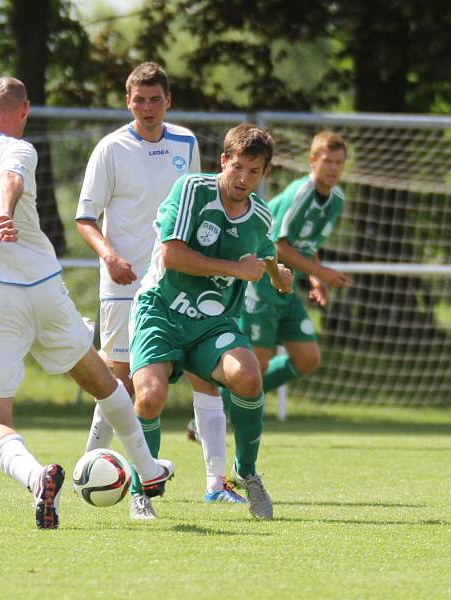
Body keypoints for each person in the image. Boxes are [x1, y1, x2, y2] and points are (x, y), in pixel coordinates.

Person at [0, 77, 173, 530]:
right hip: (43, 289)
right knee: (102, 380)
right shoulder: (21, 148)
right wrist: (3, 212)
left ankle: (38, 478)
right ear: (25, 111)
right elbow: (10, 178)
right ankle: (148, 471)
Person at [128, 124, 293, 520]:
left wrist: (277, 275)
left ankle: (246, 473)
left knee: (249, 375)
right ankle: (141, 489)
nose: (243, 179)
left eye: (254, 172)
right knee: (149, 397)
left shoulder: (260, 216)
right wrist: (238, 270)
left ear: (265, 173)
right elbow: (173, 255)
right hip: (162, 311)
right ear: (223, 161)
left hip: (213, 324)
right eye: (237, 167)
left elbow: (266, 253)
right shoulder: (193, 191)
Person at [75, 62, 200, 455]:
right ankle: (92, 463)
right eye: (140, 100)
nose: (148, 108)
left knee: (198, 379)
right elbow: (85, 218)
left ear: (168, 101)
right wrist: (111, 257)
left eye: (155, 100)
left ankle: (217, 481)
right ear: (128, 102)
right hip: (123, 284)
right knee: (120, 383)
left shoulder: (187, 144)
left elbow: (192, 210)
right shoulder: (111, 148)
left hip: (171, 283)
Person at [240, 130, 352, 394]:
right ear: (313, 161)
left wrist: (314, 277)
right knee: (259, 361)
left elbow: (306, 243)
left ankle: (232, 404)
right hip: (262, 282)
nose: (333, 168)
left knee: (307, 358)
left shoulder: (336, 198)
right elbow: (279, 247)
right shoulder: (301, 193)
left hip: (286, 287)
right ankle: (213, 414)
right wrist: (321, 272)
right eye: (328, 161)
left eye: (339, 162)